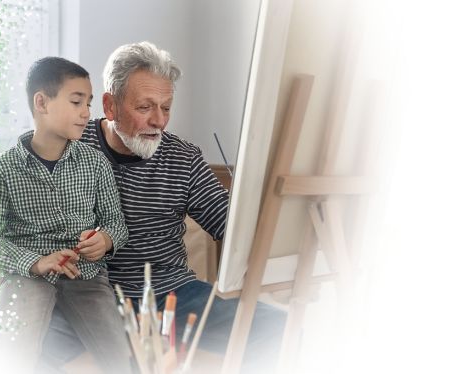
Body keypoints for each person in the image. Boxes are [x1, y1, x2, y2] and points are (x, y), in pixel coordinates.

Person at [42, 41, 285, 372]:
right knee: (32, 334)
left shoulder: (184, 158)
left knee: (276, 326)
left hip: (173, 294)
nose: (159, 121)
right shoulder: (64, 146)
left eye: (166, 107)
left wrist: (254, 208)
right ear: (110, 106)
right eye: (145, 108)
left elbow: (229, 227)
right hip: (86, 298)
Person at [0, 57, 132, 373]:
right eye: (77, 102)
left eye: (88, 103)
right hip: (28, 276)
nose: (87, 113)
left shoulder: (96, 164)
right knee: (12, 354)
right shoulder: (4, 170)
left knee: (120, 358)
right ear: (41, 103)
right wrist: (35, 262)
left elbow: (116, 223)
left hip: (86, 275)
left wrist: (103, 240)